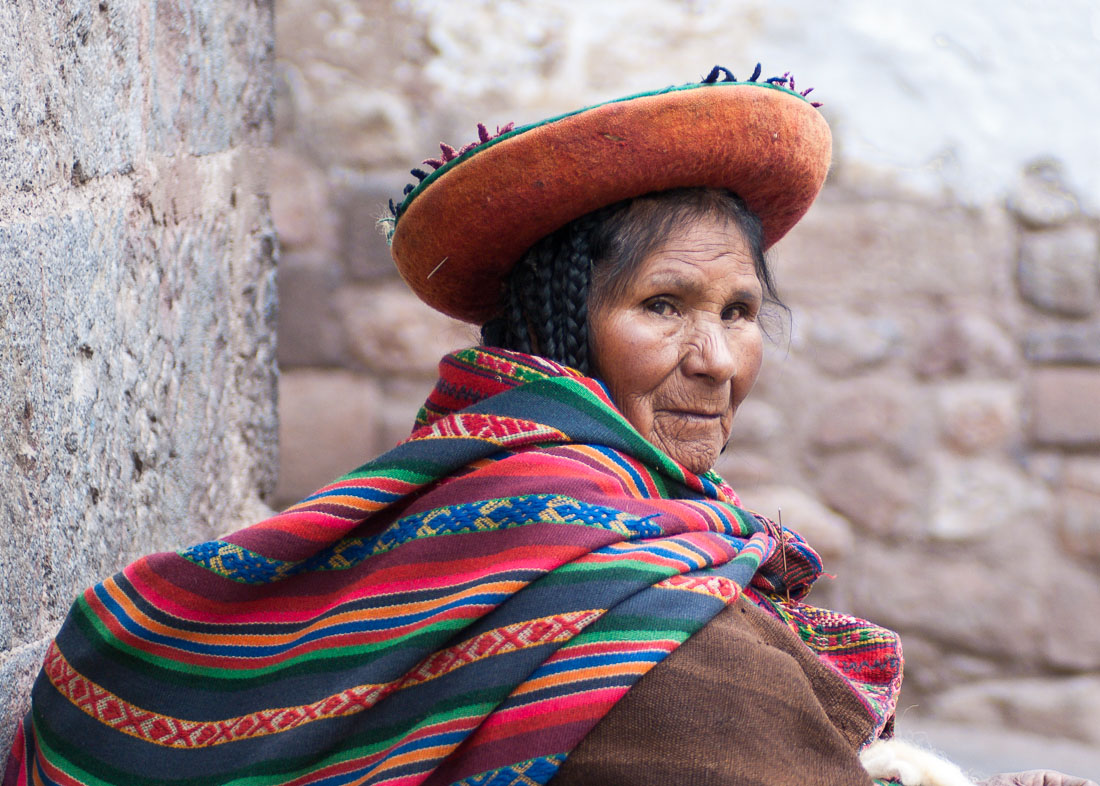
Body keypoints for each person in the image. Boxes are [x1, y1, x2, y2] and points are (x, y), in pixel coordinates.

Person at [5, 66, 1094, 786]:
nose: (713, 361)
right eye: (661, 307)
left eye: (739, 314)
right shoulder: (608, 582)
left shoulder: (554, 514)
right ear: (563, 327)